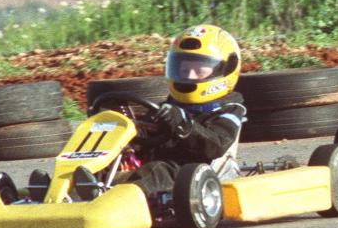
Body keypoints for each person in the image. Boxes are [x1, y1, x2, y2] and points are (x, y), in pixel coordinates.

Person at [73, 24, 245, 200]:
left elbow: (215, 146)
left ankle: (113, 199)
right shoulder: (169, 106)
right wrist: (131, 129)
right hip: (154, 167)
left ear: (225, 70)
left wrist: (184, 125)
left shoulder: (229, 109)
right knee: (108, 162)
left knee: (157, 171)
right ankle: (67, 190)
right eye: (184, 70)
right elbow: (145, 140)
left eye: (198, 70)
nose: (190, 76)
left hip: (191, 173)